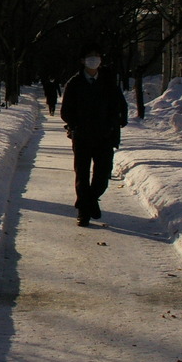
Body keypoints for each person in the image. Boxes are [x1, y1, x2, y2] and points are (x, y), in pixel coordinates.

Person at [59, 44, 129, 227]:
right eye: (90, 56)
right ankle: (84, 212)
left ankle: (88, 201)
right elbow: (66, 111)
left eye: (97, 56)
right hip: (82, 136)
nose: (94, 59)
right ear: (82, 61)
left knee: (102, 176)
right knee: (82, 174)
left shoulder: (108, 82)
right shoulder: (74, 84)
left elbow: (121, 105)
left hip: (105, 136)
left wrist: (118, 121)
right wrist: (75, 125)